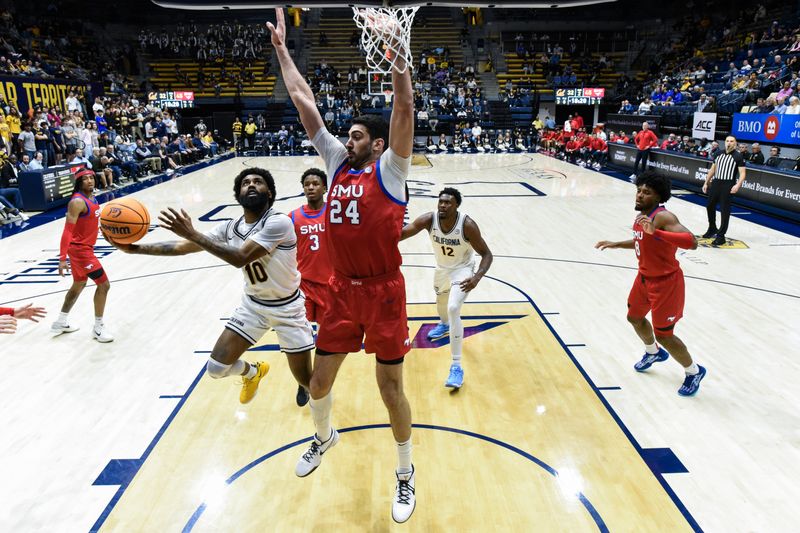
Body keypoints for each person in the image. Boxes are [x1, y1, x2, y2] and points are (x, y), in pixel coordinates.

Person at [269, 7, 416, 522]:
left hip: (383, 293)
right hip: (340, 291)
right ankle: (323, 437)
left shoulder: (392, 169)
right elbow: (304, 102)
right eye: (345, 136)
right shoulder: (335, 165)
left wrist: (396, 46)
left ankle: (404, 474)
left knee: (390, 389)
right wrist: (284, 51)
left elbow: (403, 106)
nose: (344, 140)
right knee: (319, 385)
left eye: (355, 136)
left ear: (375, 145)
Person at [108, 167, 314, 406]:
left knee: (308, 382)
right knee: (216, 368)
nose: (251, 185)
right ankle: (252, 372)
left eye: (258, 182)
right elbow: (182, 247)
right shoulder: (229, 227)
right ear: (238, 194)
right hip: (254, 307)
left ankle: (323, 432)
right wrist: (135, 249)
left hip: (287, 308)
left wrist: (194, 234)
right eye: (245, 182)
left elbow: (239, 257)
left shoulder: (279, 222)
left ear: (269, 193)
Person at [595, 171, 706, 397]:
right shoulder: (642, 217)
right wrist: (617, 244)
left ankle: (693, 371)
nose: (640, 195)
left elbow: (691, 242)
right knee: (634, 318)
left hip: (666, 283)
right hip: (644, 279)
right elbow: (642, 240)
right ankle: (653, 352)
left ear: (658, 197)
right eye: (639, 190)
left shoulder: (663, 217)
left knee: (664, 334)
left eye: (647, 192)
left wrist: (658, 233)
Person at [400, 187, 493, 389]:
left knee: (453, 308)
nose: (443, 205)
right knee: (441, 302)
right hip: (442, 269)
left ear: (456, 205)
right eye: (441, 201)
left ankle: (456, 366)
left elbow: (487, 254)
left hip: (463, 270)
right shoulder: (429, 219)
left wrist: (476, 277)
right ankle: (443, 325)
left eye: (448, 202)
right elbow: (403, 233)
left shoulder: (467, 225)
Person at [51, 169, 114, 343]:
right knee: (104, 285)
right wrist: (62, 258)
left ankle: (61, 321)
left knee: (79, 283)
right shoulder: (78, 202)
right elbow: (67, 231)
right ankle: (98, 328)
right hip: (80, 251)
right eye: (85, 179)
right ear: (79, 183)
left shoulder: (92, 198)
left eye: (91, 178)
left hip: (85, 248)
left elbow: (89, 224)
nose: (89, 181)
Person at [289, 167, 332, 407]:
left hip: (330, 285)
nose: (311, 187)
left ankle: (321, 378)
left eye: (315, 183)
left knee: (326, 339)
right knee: (301, 338)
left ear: (324, 187)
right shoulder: (293, 217)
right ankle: (303, 380)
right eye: (307, 184)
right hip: (303, 286)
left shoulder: (334, 213)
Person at [702, 135, 746, 246]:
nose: (729, 143)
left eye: (731, 141)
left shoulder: (738, 156)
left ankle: (721, 236)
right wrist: (706, 182)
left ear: (735, 143)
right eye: (727, 141)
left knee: (724, 210)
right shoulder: (718, 153)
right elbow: (713, 169)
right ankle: (712, 228)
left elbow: (743, 173)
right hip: (716, 183)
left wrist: (738, 185)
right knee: (710, 206)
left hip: (728, 184)